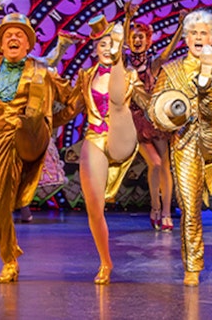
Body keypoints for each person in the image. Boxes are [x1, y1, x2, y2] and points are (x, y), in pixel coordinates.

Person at [0, 11, 72, 283]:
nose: (13, 37)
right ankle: (10, 253)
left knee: (4, 201)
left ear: (28, 44)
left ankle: (9, 261)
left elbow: (69, 100)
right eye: (7, 34)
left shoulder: (42, 71)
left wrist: (46, 125)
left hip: (27, 138)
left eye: (19, 35)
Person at [149, 9, 212, 287]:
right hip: (186, 142)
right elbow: (156, 111)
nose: (199, 37)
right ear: (186, 39)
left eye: (204, 33)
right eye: (194, 33)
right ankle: (193, 265)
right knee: (189, 207)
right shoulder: (172, 71)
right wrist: (174, 112)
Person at [66, 15, 146, 284]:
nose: (107, 48)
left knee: (118, 104)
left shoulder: (131, 75)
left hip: (121, 135)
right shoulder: (86, 76)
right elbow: (73, 106)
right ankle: (105, 261)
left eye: (112, 43)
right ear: (96, 49)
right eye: (102, 44)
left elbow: (146, 101)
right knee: (94, 207)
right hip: (95, 137)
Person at [124, 6, 175, 231]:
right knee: (154, 163)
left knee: (165, 166)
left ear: (148, 41)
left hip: (155, 119)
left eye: (141, 37)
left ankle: (165, 212)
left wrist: (181, 27)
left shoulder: (152, 62)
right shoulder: (123, 62)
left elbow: (168, 53)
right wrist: (127, 18)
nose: (137, 40)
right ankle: (154, 207)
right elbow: (118, 47)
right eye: (134, 37)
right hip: (134, 120)